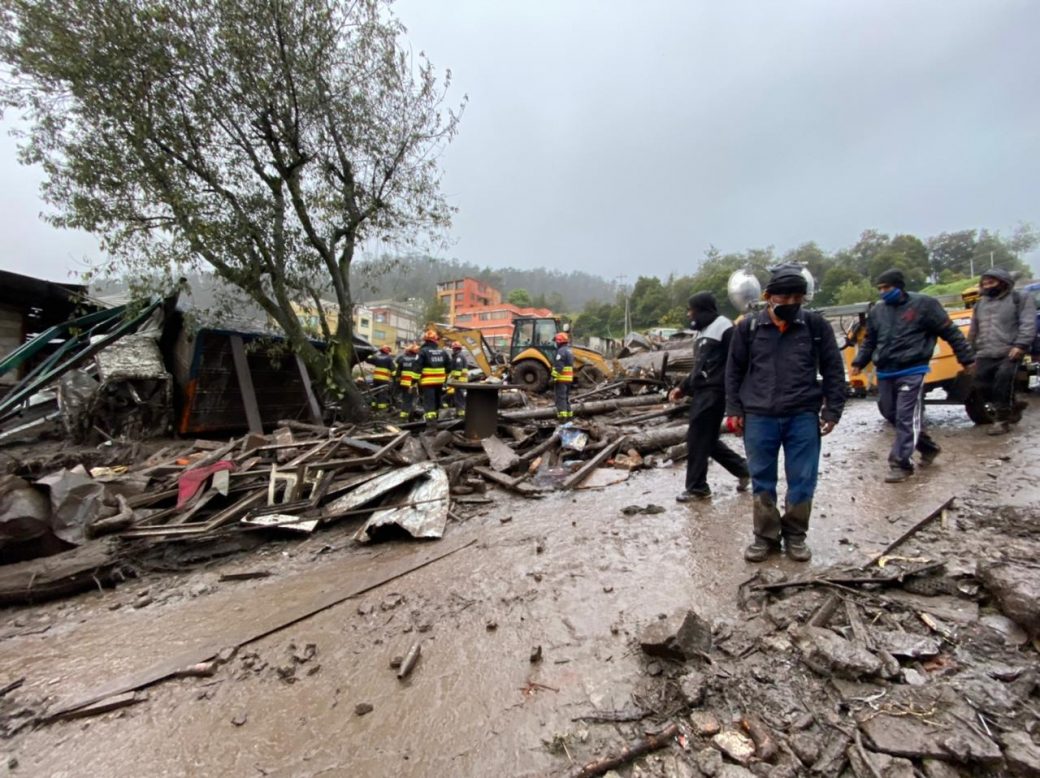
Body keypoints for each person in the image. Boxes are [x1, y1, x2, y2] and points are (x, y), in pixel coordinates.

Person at [725, 264, 846, 562]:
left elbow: (833, 370)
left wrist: (833, 410)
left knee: (803, 478)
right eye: (784, 298)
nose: (791, 304)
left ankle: (795, 536)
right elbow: (734, 371)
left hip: (802, 415)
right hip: (759, 416)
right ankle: (765, 538)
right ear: (768, 297)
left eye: (797, 298)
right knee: (762, 478)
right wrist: (734, 408)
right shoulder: (748, 328)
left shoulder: (816, 327)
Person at [851, 269, 975, 481]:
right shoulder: (878, 311)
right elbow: (871, 340)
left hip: (912, 369)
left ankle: (901, 464)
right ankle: (928, 448)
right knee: (890, 412)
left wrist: (966, 359)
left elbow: (950, 332)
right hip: (886, 370)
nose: (883, 293)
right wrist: (858, 362)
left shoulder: (925, 305)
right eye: (880, 289)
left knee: (906, 416)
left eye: (886, 288)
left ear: (899, 287)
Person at [668, 292, 750, 501]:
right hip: (703, 390)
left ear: (703, 310)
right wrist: (683, 388)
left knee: (697, 437)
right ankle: (744, 469)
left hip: (716, 391)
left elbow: (738, 363)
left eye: (691, 310)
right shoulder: (703, 332)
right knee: (707, 440)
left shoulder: (725, 328)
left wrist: (737, 400)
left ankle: (698, 488)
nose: (689, 315)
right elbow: (699, 366)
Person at [968, 267, 1037, 435]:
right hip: (984, 351)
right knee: (980, 385)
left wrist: (1020, 345)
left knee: (1002, 382)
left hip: (1009, 350)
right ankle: (1012, 406)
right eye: (984, 283)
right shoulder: (980, 304)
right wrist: (969, 350)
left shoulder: (1019, 298)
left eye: (991, 282)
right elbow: (973, 328)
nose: (987, 285)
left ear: (1003, 283)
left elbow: (1028, 323)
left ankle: (1001, 421)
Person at [416, 330, 449, 427]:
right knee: (437, 400)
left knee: (429, 402)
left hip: (427, 382)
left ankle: (430, 423)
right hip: (439, 382)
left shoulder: (423, 351)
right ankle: (437, 419)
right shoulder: (443, 352)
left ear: (426, 340)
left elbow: (417, 367)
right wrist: (444, 378)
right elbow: (449, 367)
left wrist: (414, 381)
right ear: (435, 340)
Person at [394, 343, 421, 421]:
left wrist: (397, 383)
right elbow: (419, 372)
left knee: (406, 399)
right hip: (413, 384)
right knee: (412, 400)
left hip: (404, 383)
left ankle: (404, 414)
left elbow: (398, 373)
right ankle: (409, 416)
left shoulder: (402, 359)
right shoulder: (417, 360)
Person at [551, 332, 574, 421]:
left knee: (560, 398)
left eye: (556, 341)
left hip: (562, 379)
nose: (556, 343)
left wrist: (553, 378)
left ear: (559, 341)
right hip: (568, 379)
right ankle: (569, 415)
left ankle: (562, 417)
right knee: (566, 397)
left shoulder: (561, 352)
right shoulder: (569, 350)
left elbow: (559, 367)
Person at [365, 345, 395, 412]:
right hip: (384, 379)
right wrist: (395, 377)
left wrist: (371, 353)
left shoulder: (376, 357)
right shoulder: (389, 359)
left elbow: (367, 359)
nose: (390, 352)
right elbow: (393, 370)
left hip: (375, 379)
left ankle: (373, 406)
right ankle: (382, 409)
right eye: (389, 351)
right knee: (383, 393)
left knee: (375, 392)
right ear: (387, 351)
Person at [447, 341, 468, 418]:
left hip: (459, 381)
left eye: (453, 349)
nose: (453, 350)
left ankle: (461, 414)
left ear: (454, 349)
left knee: (459, 398)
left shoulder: (459, 357)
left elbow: (458, 369)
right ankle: (459, 413)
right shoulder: (459, 356)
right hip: (460, 381)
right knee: (458, 397)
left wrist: (453, 379)